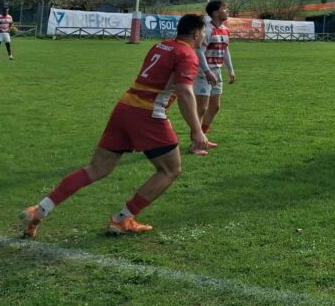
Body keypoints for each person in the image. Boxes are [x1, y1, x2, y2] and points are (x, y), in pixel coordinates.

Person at [20, 14, 210, 238]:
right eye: (203, 32)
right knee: (170, 170)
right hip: (147, 113)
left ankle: (40, 209)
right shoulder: (187, 53)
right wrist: (197, 131)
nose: (205, 36)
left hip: (125, 107)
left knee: (96, 169)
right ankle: (122, 219)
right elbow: (185, 92)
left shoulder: (161, 45)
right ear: (197, 33)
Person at [192, 0, 235, 153]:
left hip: (216, 71)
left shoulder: (224, 30)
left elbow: (225, 51)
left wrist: (230, 70)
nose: (227, 10)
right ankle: (195, 144)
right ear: (216, 12)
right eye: (225, 8)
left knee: (215, 107)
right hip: (204, 72)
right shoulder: (207, 30)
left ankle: (202, 137)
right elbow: (199, 52)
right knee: (202, 108)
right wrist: (207, 71)